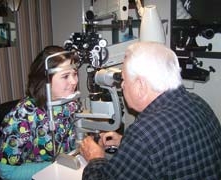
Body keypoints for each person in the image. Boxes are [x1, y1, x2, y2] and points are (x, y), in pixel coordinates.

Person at [80, 41, 221, 180]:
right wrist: (128, 146)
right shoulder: (198, 102)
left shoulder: (144, 134)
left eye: (123, 79)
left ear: (140, 85)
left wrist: (95, 158)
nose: (121, 85)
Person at [0, 45, 79, 180]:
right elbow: (7, 172)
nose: (74, 81)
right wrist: (55, 167)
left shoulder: (70, 103)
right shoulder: (23, 116)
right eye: (65, 76)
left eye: (74, 73)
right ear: (44, 80)